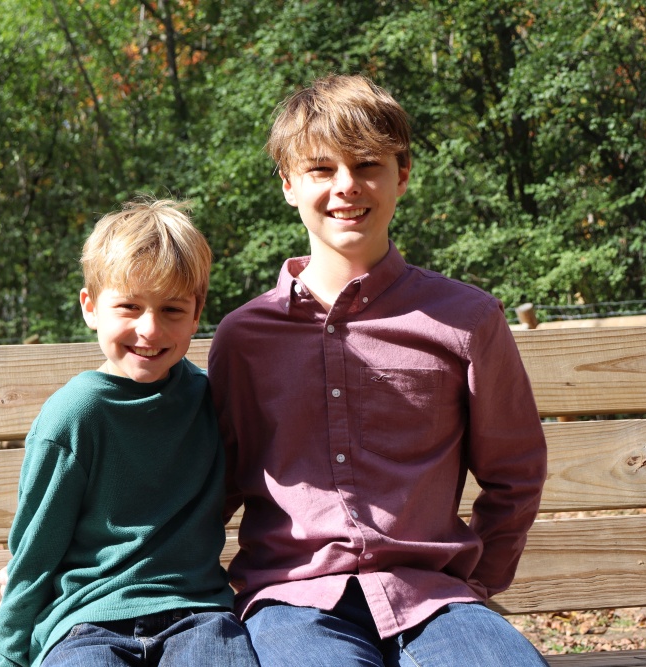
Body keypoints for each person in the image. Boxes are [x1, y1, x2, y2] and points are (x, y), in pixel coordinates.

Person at [207, 74, 549, 666]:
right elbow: (216, 488)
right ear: (288, 184)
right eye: (321, 169)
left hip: (434, 598)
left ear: (403, 175)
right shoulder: (244, 338)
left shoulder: (466, 320)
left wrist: (478, 581)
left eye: (367, 165)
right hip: (294, 600)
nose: (346, 186)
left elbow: (514, 470)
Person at [0, 199, 259, 667]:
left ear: (197, 314)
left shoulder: (210, 402)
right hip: (88, 620)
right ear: (90, 307)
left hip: (198, 614)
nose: (150, 330)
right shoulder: (75, 414)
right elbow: (37, 545)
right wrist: (8, 648)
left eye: (172, 309)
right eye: (129, 306)